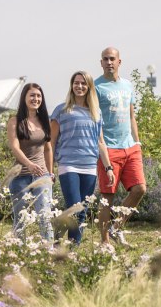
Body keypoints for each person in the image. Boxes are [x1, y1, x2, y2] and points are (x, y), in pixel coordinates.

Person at [50, 71, 113, 245]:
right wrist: (50, 169)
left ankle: (69, 247)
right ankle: (69, 246)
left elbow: (101, 142)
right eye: (76, 83)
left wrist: (108, 168)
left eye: (83, 84)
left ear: (89, 87)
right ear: (72, 85)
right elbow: (52, 141)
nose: (79, 86)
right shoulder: (61, 110)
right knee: (75, 207)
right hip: (68, 164)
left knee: (82, 210)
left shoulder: (96, 112)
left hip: (89, 166)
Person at [95, 47, 147, 244]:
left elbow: (132, 115)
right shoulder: (97, 87)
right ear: (101, 63)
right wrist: (102, 146)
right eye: (105, 59)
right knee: (107, 197)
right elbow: (95, 119)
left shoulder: (127, 85)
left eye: (112, 59)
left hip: (130, 147)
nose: (109, 62)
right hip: (109, 148)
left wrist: (137, 141)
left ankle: (117, 227)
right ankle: (105, 242)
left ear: (119, 62)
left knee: (140, 189)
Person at [7, 83, 55, 241]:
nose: (36, 98)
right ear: (25, 98)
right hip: (20, 177)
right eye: (32, 95)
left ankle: (48, 251)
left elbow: (48, 149)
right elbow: (15, 147)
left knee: (44, 216)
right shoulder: (15, 121)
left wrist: (50, 172)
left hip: (42, 176)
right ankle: (18, 251)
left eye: (39, 96)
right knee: (20, 219)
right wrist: (29, 164)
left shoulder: (45, 121)